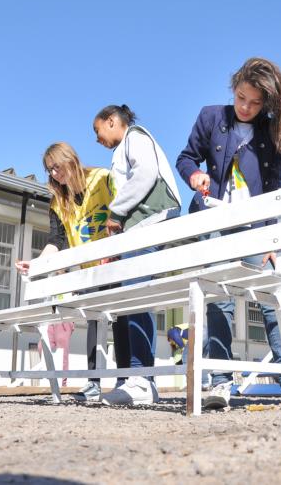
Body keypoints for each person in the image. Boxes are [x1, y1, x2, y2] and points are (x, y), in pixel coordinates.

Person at [176, 57, 281, 410]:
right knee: (218, 301)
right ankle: (219, 384)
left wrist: (277, 238)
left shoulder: (275, 131)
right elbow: (186, 157)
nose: (246, 107)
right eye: (242, 98)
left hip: (257, 227)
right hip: (213, 221)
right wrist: (194, 176)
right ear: (234, 90)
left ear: (267, 103)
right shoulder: (211, 116)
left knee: (272, 300)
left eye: (255, 102)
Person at [93, 104, 182, 406]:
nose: (97, 139)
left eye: (98, 130)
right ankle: (131, 378)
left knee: (136, 295)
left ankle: (141, 379)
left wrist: (115, 212)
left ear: (112, 121)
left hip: (151, 218)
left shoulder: (135, 137)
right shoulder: (123, 147)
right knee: (126, 299)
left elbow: (146, 173)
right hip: (138, 225)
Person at [15, 141, 115, 402]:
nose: (54, 174)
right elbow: (57, 240)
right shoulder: (59, 202)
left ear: (71, 159)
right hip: (90, 272)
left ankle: (131, 381)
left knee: (125, 320)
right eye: (49, 170)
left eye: (57, 167)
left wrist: (113, 248)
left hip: (117, 261)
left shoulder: (102, 179)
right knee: (95, 321)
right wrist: (37, 264)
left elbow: (125, 210)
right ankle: (94, 382)